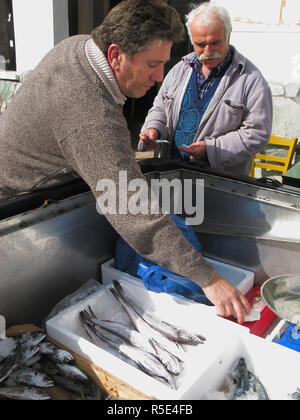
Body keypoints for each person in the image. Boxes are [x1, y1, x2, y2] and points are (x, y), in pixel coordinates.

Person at [0, 0, 250, 322]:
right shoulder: (90, 116)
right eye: (152, 64)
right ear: (115, 55)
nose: (160, 77)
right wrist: (209, 279)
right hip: (14, 211)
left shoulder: (79, 46)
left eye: (163, 64)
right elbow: (130, 207)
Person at [139, 2, 273, 176]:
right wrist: (153, 129)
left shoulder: (251, 80)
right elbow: (160, 107)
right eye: (201, 44)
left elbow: (257, 134)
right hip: (170, 173)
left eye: (215, 43)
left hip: (218, 182)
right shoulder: (180, 69)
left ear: (228, 34)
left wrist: (211, 150)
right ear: (191, 39)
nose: (208, 52)